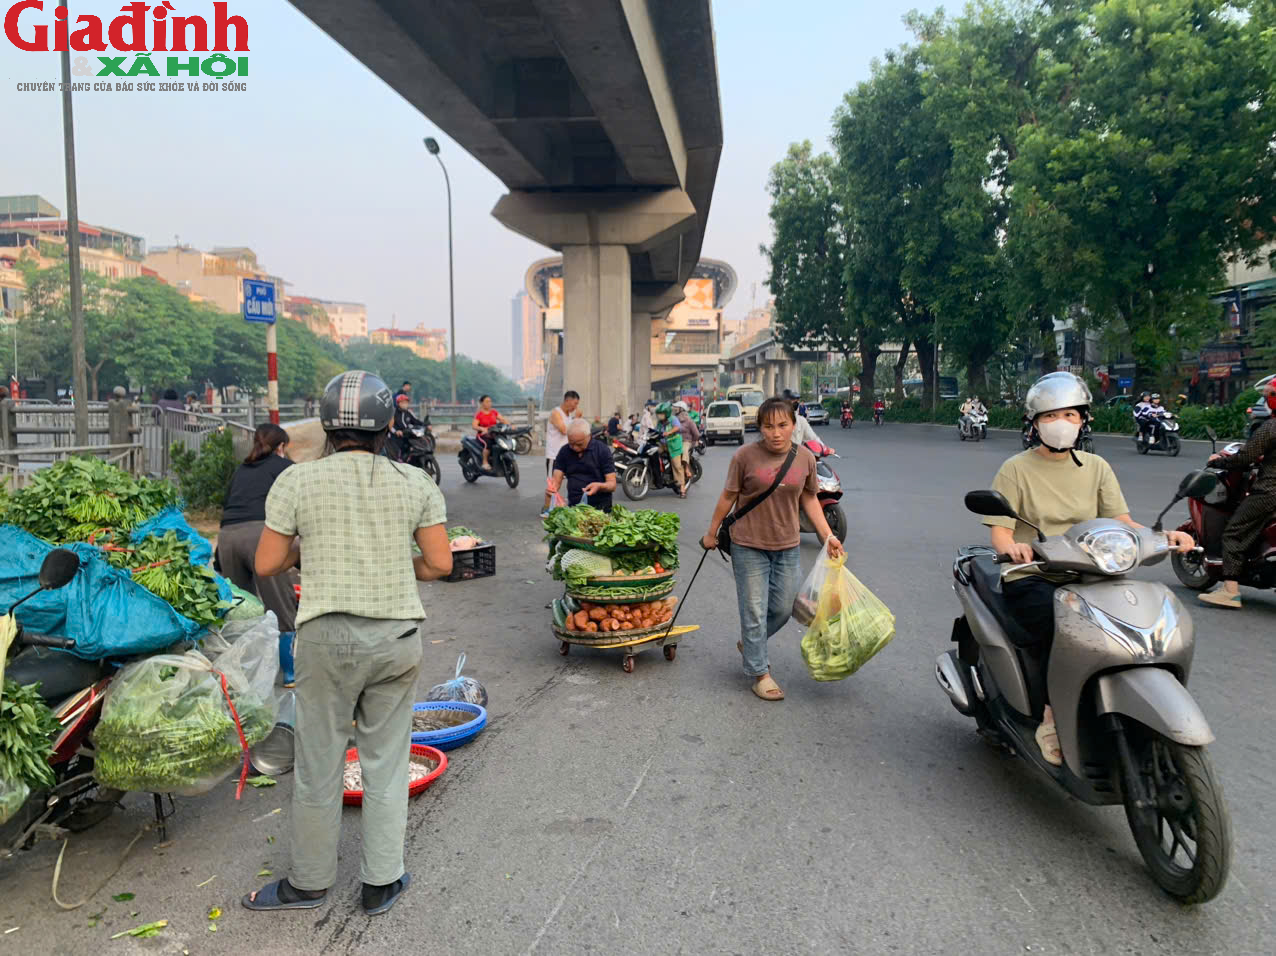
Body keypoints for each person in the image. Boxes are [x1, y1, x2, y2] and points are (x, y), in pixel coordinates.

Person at [243, 370, 452, 917]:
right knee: (386, 759)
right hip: (395, 638)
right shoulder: (415, 483)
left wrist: (305, 553)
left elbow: (266, 562)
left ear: (328, 426)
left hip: (325, 640)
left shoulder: (296, 481)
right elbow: (439, 564)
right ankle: (381, 882)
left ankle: (308, 885)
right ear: (387, 427)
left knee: (318, 763)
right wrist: (391, 562)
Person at [984, 373, 1193, 765]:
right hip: (1035, 575)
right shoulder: (1015, 469)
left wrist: (1166, 537)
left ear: (1083, 420)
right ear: (1034, 422)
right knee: (1059, 628)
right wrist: (1013, 549)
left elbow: (1123, 522)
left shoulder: (1097, 467)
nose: (1061, 422)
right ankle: (1050, 714)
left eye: (1069, 414)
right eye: (1050, 415)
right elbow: (1000, 531)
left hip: (1093, 573)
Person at [700, 397, 844, 702]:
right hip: (748, 544)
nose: (776, 433)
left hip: (787, 545)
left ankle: (751, 643)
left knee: (784, 607)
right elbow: (728, 497)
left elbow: (809, 500)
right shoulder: (744, 457)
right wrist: (711, 532)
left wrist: (828, 535)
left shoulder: (804, 458)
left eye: (783, 425)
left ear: (794, 425)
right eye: (768, 426)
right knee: (753, 610)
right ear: (759, 427)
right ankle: (759, 672)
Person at [216, 424, 300, 683]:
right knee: (282, 605)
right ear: (281, 447)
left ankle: (244, 676)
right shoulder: (283, 467)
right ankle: (289, 673)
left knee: (241, 611)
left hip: (227, 537)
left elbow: (228, 503)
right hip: (260, 535)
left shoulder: (242, 468)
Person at [1200, 384, 1276, 609]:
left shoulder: (1270, 427)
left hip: (1270, 492)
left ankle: (1229, 591)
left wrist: (1218, 462)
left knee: (1234, 532)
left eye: (1267, 397)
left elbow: (1245, 457)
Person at [549, 419, 618, 512]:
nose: (575, 447)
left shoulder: (602, 450)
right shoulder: (564, 451)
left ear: (589, 436)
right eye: (571, 443)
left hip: (600, 510)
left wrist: (599, 486)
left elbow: (612, 484)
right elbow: (556, 481)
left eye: (579, 444)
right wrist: (552, 490)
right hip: (574, 509)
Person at [542, 390, 581, 516]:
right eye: (575, 403)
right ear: (567, 400)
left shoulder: (568, 415)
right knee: (554, 484)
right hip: (554, 455)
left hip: (567, 455)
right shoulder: (556, 413)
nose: (575, 407)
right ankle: (546, 508)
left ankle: (565, 505)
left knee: (573, 479)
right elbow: (564, 430)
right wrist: (576, 419)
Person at [655, 402, 686, 498]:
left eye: (661, 414)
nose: (659, 416)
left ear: (666, 413)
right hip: (663, 444)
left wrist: (668, 432)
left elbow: (677, 427)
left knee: (677, 466)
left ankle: (682, 488)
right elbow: (656, 431)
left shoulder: (673, 419)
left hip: (674, 445)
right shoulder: (659, 423)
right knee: (652, 452)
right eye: (658, 414)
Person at [472, 394, 509, 472]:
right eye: (487, 401)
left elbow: (502, 419)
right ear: (482, 403)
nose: (489, 403)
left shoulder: (494, 412)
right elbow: (474, 426)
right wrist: (482, 428)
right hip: (482, 435)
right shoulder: (479, 414)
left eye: (490, 401)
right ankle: (484, 462)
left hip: (493, 434)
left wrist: (510, 425)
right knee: (488, 444)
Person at [389, 393, 425, 462]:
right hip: (396, 437)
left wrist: (425, 425)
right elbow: (390, 426)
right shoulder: (394, 412)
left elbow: (416, 421)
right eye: (403, 403)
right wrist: (396, 431)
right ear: (398, 403)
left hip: (407, 435)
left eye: (406, 402)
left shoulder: (409, 412)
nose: (405, 404)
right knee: (397, 453)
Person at [675, 401, 700, 474]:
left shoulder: (689, 421)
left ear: (681, 409)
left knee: (684, 450)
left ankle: (686, 468)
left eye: (677, 408)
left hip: (686, 441)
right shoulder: (674, 420)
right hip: (675, 441)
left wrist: (693, 441)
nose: (675, 409)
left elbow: (696, 434)